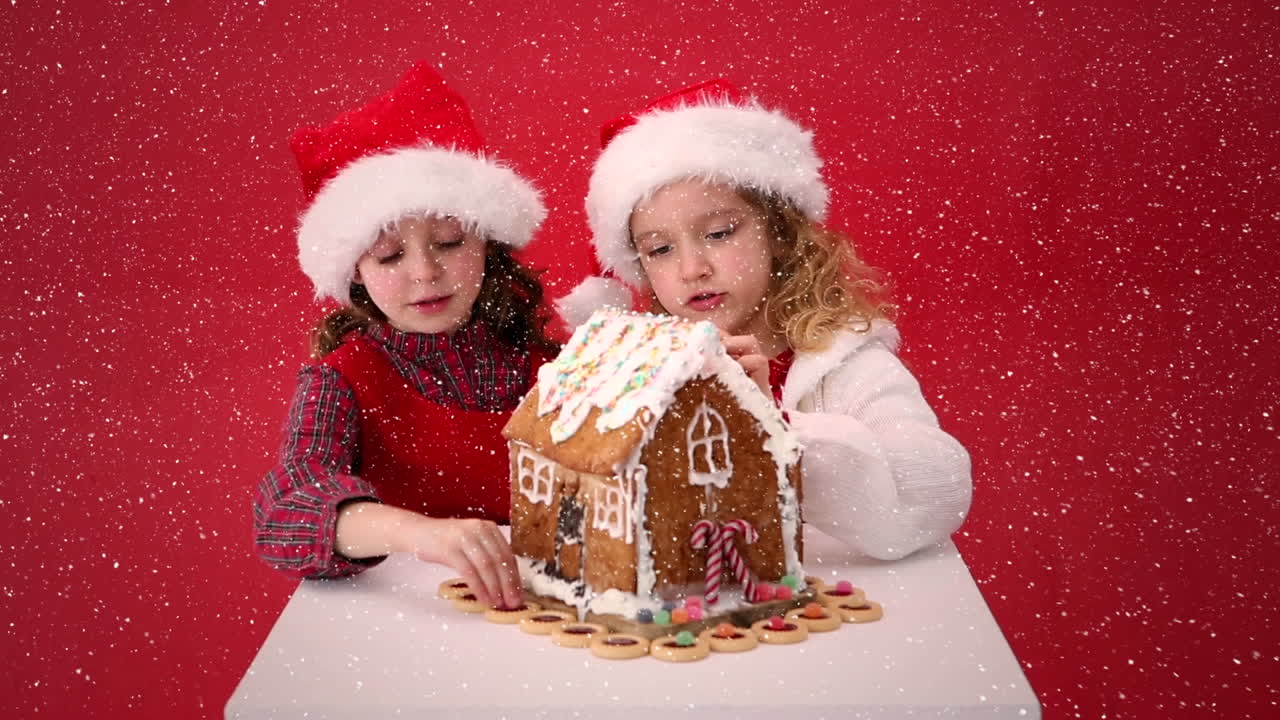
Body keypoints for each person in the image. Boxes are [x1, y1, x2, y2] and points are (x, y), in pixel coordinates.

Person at [559, 79, 971, 560]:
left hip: (824, 608)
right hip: (692, 621)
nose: (693, 269)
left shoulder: (844, 365)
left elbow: (936, 491)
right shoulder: (640, 374)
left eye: (718, 232)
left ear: (778, 231)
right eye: (661, 249)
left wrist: (771, 430)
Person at [254, 63, 556, 608]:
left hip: (548, 613)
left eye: (447, 242)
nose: (424, 272)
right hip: (409, 623)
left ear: (487, 245)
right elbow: (288, 512)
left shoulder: (551, 361)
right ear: (354, 271)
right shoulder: (342, 380)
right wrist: (422, 534)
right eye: (390, 255)